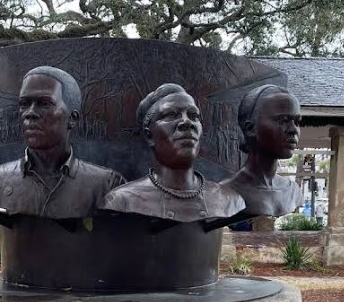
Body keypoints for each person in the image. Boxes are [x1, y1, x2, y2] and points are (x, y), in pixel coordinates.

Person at [0, 66, 124, 218]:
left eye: (45, 104)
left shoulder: (108, 185)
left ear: (72, 118)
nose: (30, 113)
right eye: (24, 104)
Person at [100, 83, 245, 222]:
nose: (186, 122)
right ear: (149, 135)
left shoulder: (230, 200)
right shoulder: (121, 202)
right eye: (171, 115)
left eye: (193, 115)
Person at [221, 84, 304, 217]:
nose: (293, 130)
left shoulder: (293, 192)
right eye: (283, 121)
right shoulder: (225, 194)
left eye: (297, 122)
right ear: (250, 128)